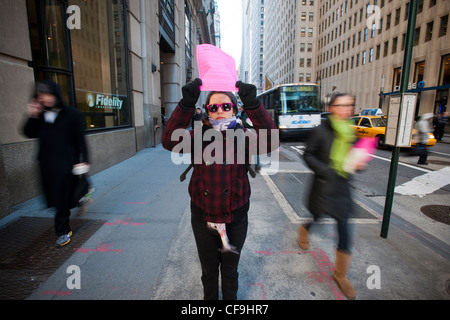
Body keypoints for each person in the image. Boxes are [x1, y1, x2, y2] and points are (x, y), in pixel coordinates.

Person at [162, 78, 277, 300]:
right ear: (207, 111)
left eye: (226, 106)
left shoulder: (245, 135)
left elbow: (271, 141)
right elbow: (168, 140)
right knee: (209, 272)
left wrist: (254, 105)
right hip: (203, 218)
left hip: (236, 218)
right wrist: (185, 105)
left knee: (230, 271)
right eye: (213, 107)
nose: (220, 111)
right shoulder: (198, 136)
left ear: (234, 108)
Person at [299, 93, 366, 300]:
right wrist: (326, 171)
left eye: (350, 105)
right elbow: (307, 154)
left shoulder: (350, 132)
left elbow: (354, 159)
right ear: (332, 107)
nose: (347, 109)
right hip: (324, 186)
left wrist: (358, 164)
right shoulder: (321, 130)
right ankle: (304, 230)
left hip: (343, 189)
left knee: (344, 227)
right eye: (342, 105)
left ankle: (341, 275)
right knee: (318, 217)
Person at [23, 80, 89, 247]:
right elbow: (28, 132)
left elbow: (82, 142)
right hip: (47, 165)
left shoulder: (72, 114)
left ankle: (63, 231)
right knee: (58, 197)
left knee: (61, 199)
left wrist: (84, 161)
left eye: (46, 95)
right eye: (40, 96)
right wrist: (32, 115)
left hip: (67, 165)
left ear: (54, 95)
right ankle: (83, 197)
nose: (43, 99)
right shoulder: (41, 115)